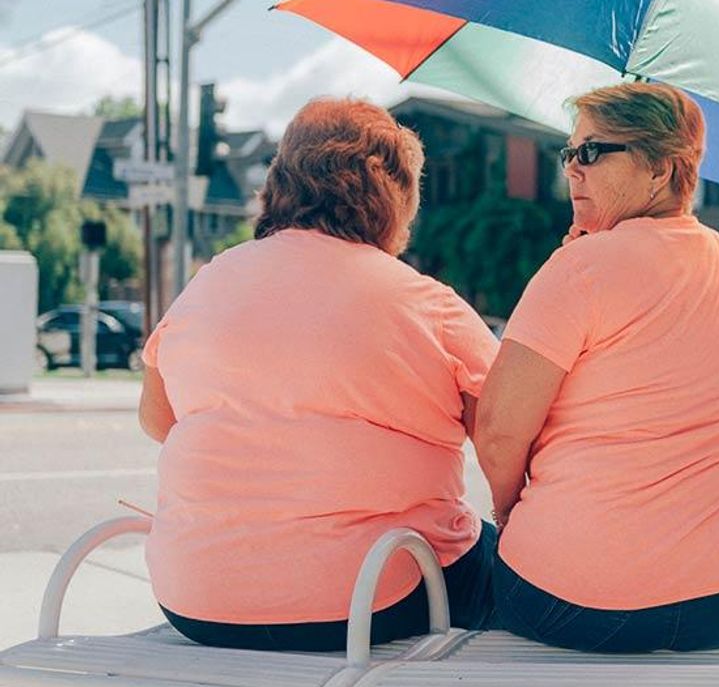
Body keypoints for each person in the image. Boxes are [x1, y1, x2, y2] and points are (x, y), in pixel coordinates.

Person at [138, 98, 499, 651]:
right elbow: (506, 432)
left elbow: (158, 420)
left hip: (195, 600)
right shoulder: (422, 302)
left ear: (280, 181)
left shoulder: (209, 282)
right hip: (376, 599)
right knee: (526, 571)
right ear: (396, 194)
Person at [474, 82, 719, 653]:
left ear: (661, 170)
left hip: (581, 602)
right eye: (567, 153)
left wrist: (508, 512)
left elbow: (496, 429)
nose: (573, 171)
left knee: (469, 559)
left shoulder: (581, 268)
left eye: (592, 152)